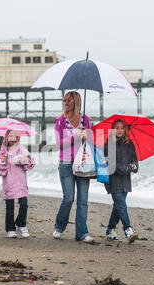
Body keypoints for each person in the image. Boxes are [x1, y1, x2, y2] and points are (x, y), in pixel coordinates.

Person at [53, 91, 94, 242]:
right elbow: (59, 144)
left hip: (83, 163)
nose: (65, 103)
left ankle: (82, 233)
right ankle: (59, 226)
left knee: (83, 200)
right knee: (69, 198)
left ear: (76, 102)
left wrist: (87, 136)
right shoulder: (60, 121)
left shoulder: (87, 121)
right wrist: (75, 135)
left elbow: (93, 142)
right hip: (66, 163)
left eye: (69, 101)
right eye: (64, 101)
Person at [104, 119, 139, 243]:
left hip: (125, 181)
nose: (119, 130)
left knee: (118, 206)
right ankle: (128, 229)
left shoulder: (130, 144)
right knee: (122, 205)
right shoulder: (109, 144)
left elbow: (135, 161)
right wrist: (127, 168)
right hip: (113, 180)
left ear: (125, 130)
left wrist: (134, 166)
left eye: (121, 128)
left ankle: (110, 230)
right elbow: (112, 165)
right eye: (116, 128)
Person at [0, 130, 35, 238]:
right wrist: (3, 162)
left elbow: (31, 163)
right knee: (10, 206)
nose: (15, 138)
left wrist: (25, 160)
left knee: (24, 204)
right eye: (12, 136)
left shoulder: (22, 149)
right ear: (7, 137)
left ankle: (21, 223)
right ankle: (10, 228)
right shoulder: (4, 151)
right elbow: (1, 171)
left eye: (17, 136)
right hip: (9, 182)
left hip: (21, 182)